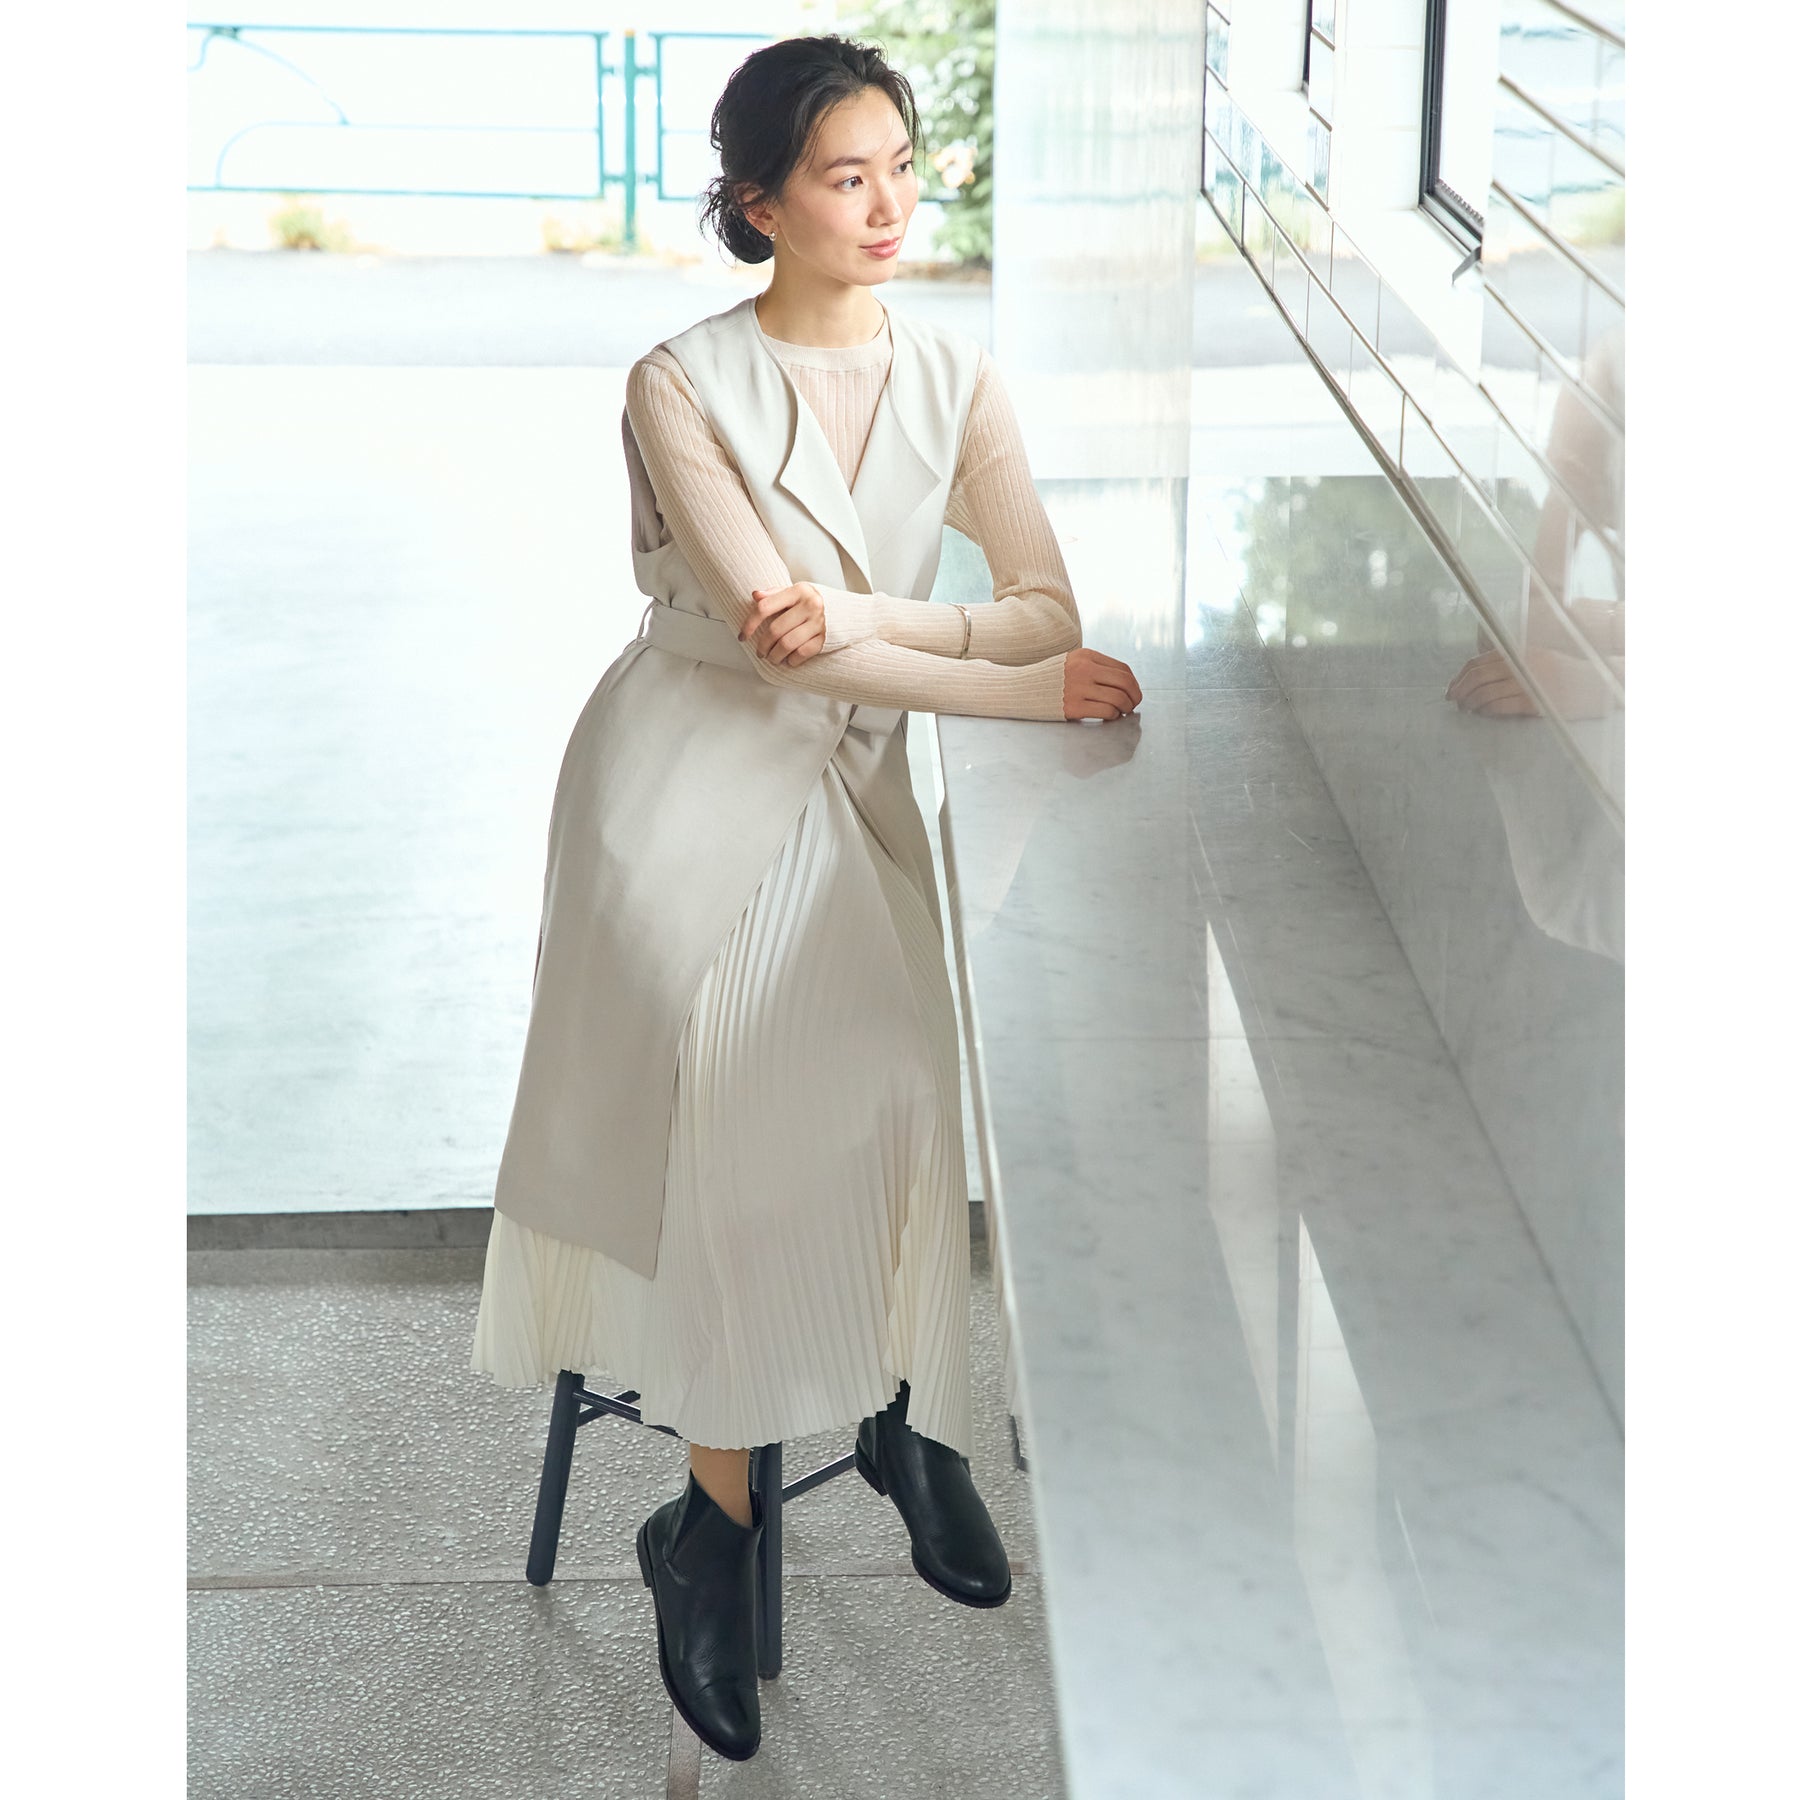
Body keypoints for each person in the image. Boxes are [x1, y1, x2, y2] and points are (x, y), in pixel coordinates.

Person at [468, 33, 1142, 1763]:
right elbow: (781, 643)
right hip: (683, 782)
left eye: (904, 167)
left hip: (855, 775)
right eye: (849, 178)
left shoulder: (956, 377)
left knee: (905, 1080)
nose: (891, 204)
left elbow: (1040, 608)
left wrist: (895, 624)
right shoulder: (679, 383)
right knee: (740, 1101)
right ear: (760, 205)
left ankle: (906, 1409)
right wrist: (1005, 676)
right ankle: (712, 1524)